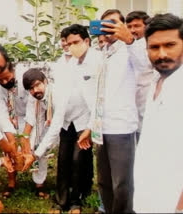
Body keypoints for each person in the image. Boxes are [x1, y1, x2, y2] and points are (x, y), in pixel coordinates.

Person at [24, 25, 99, 210]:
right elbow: (55, 123)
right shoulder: (60, 74)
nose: (71, 47)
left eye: (75, 42)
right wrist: (34, 152)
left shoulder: (95, 61)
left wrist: (35, 154)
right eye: (68, 43)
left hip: (83, 119)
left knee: (78, 160)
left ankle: (75, 202)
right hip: (67, 122)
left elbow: (96, 101)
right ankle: (61, 201)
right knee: (63, 161)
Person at [84, 9, 138, 213]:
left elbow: (145, 67)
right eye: (104, 23)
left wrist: (130, 40)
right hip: (101, 128)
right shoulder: (103, 54)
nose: (109, 27)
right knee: (104, 182)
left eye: (113, 23)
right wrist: (91, 126)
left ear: (122, 25)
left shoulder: (130, 51)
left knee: (121, 184)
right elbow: (98, 93)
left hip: (121, 127)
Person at [133, 13, 183, 213]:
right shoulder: (155, 82)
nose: (161, 53)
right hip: (149, 198)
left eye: (170, 45)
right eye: (154, 47)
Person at [0, 62, 32, 198]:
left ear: (13, 71)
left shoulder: (25, 77)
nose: (4, 81)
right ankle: (11, 182)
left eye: (7, 78)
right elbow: (1, 112)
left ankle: (39, 183)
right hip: (10, 118)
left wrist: (25, 135)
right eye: (0, 79)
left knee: (31, 147)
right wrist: (10, 139)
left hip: (29, 118)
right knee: (9, 149)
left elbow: (33, 107)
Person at [125, 11, 154, 140]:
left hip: (147, 104)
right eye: (129, 26)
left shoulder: (149, 45)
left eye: (136, 26)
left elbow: (143, 65)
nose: (132, 30)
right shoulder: (126, 45)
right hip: (131, 111)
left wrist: (129, 42)